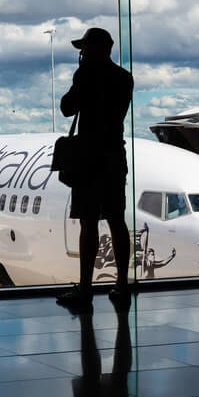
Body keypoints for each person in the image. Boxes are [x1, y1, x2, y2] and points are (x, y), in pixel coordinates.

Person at [56, 27, 134, 313]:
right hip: (115, 155)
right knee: (116, 221)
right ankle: (122, 285)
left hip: (89, 158)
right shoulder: (125, 78)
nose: (82, 53)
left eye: (84, 49)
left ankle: (86, 288)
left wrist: (81, 73)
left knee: (89, 223)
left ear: (93, 50)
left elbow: (67, 107)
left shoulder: (86, 75)